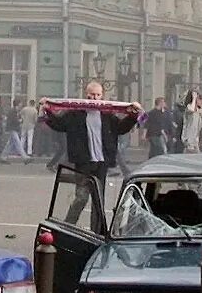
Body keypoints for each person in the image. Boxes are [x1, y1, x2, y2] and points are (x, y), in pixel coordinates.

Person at [42, 81, 140, 227]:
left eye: (98, 95)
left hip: (101, 163)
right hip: (83, 162)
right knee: (81, 197)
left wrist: (133, 116)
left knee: (98, 201)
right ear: (86, 95)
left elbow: (121, 128)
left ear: (102, 96)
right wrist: (47, 110)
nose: (94, 98)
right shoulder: (75, 113)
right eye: (92, 95)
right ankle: (67, 226)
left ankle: (97, 232)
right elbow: (59, 124)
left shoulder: (107, 114)